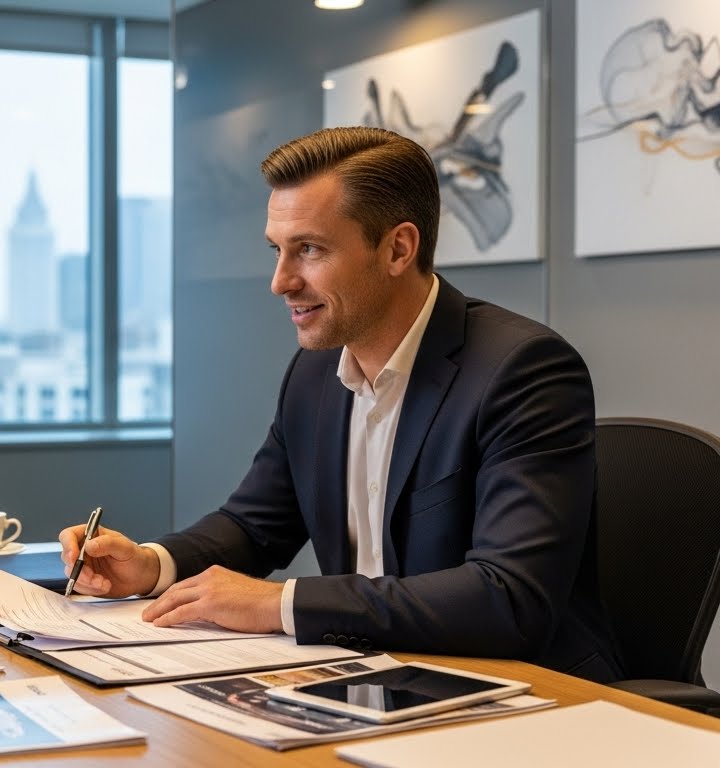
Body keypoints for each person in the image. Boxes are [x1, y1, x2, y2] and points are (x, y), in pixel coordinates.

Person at [61, 126, 622, 683]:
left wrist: (282, 604)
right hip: (378, 680)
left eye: (309, 249)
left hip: (525, 691)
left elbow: (507, 597)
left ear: (398, 248)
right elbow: (254, 525)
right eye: (277, 251)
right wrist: (151, 566)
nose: (281, 281)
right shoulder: (314, 373)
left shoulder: (522, 370)